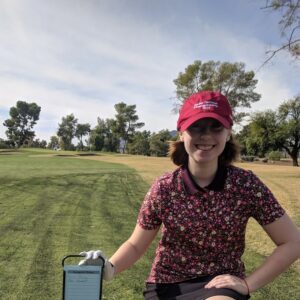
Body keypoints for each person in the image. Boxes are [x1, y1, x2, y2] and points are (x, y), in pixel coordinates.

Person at [80, 91, 300, 300]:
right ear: (181, 132)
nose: (205, 136)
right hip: (167, 285)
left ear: (228, 131)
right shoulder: (164, 188)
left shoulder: (246, 185)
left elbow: (293, 242)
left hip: (219, 285)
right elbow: (136, 245)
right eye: (196, 127)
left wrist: (248, 284)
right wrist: (109, 267)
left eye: (216, 127)